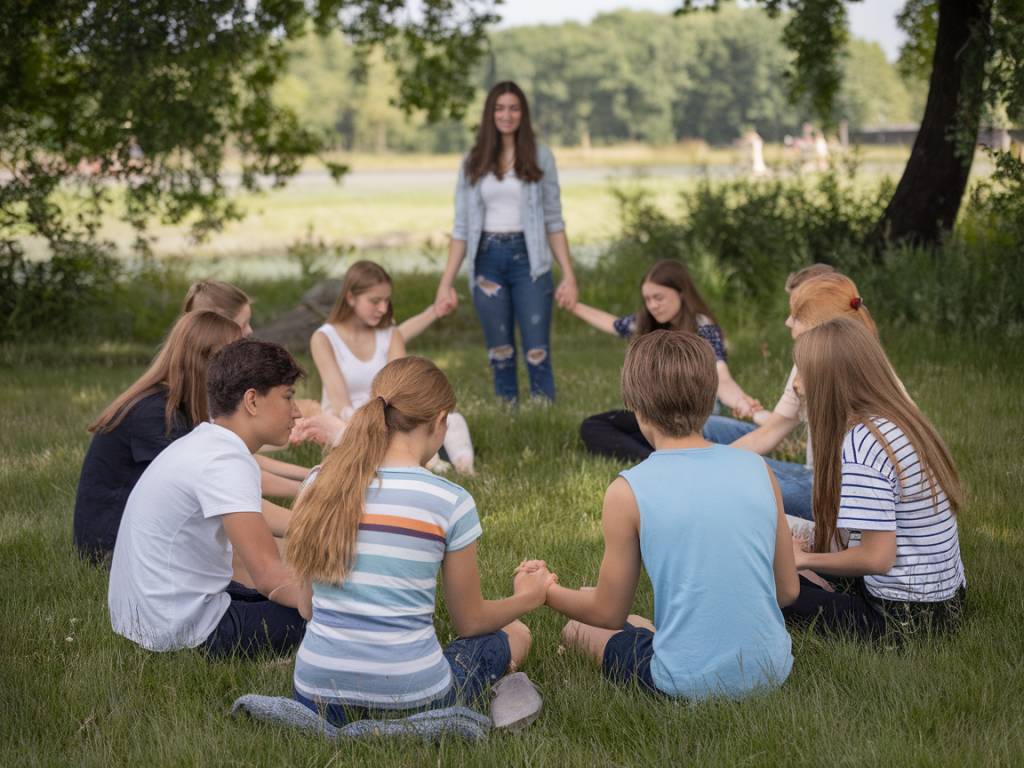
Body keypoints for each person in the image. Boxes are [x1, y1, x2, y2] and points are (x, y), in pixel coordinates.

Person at [529, 330, 798, 699]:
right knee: (635, 621)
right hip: (773, 669)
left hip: (684, 681)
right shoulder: (757, 468)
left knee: (579, 628)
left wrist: (547, 592)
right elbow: (787, 589)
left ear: (634, 405)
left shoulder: (628, 490)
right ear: (709, 400)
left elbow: (607, 612)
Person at [287, 356, 553, 726]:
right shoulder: (449, 500)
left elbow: (307, 609)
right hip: (413, 700)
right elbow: (471, 622)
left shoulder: (317, 482)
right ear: (441, 421)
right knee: (515, 633)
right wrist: (530, 596)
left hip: (315, 696)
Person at [108, 339, 310, 657]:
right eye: (288, 397)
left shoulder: (206, 442)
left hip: (149, 618)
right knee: (331, 622)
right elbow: (268, 574)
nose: (297, 412)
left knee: (300, 598)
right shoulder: (225, 461)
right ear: (252, 401)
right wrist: (336, 609)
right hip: (181, 632)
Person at [783, 318, 966, 639]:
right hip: (946, 603)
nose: (796, 385)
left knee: (763, 582)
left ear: (831, 381)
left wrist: (802, 559)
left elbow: (877, 558)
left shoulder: (862, 444)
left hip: (900, 617)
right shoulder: (896, 420)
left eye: (802, 373)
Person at [434, 80, 579, 403]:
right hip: (486, 260)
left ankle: (544, 413)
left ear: (522, 113)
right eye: (500, 108)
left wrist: (568, 274)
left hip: (530, 259)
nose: (507, 114)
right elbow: (461, 227)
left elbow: (553, 220)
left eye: (514, 108)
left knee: (536, 347)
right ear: (490, 114)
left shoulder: (541, 157)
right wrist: (446, 283)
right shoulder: (472, 162)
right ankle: (507, 412)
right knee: (499, 349)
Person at [73, 311, 242, 562]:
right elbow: (209, 489)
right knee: (238, 556)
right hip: (109, 548)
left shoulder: (174, 405)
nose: (242, 370)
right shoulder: (155, 413)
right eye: (235, 360)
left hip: (138, 536)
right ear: (205, 361)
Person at [573, 259, 765, 456]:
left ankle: (662, 455)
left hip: (692, 417)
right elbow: (614, 324)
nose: (652, 305)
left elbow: (722, 378)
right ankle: (653, 458)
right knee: (594, 426)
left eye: (659, 297)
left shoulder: (702, 327)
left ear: (681, 293)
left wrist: (744, 404)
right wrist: (573, 306)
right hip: (654, 413)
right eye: (647, 299)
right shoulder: (648, 322)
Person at [730, 268, 879, 521]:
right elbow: (769, 434)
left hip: (840, 498)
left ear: (819, 326)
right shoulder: (806, 363)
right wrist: (709, 463)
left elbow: (854, 491)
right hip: (816, 477)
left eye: (796, 316)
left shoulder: (849, 375)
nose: (788, 322)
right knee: (731, 469)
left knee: (735, 486)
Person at [304, 260, 474, 473]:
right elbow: (340, 405)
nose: (383, 308)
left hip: (389, 416)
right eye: (375, 301)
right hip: (349, 421)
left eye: (386, 300)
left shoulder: (389, 333)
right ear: (350, 298)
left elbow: (401, 388)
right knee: (370, 436)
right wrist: (375, 423)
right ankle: (426, 465)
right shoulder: (324, 338)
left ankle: (465, 470)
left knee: (453, 420)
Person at [184, 279, 310, 496]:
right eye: (243, 325)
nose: (250, 331)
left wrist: (310, 476)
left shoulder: (211, 380)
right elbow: (234, 471)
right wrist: (311, 489)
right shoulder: (189, 396)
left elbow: (241, 457)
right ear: (218, 327)